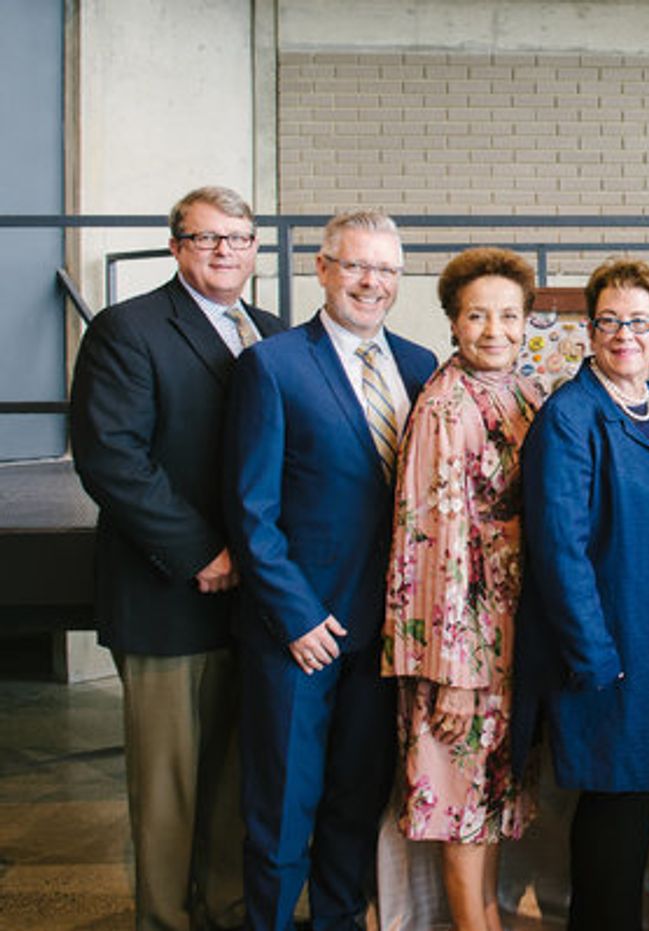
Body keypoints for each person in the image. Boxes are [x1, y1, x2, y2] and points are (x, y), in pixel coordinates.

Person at [70, 185, 284, 931]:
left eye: (239, 237)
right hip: (168, 594)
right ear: (175, 246)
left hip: (253, 599)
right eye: (206, 237)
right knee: (168, 786)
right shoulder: (128, 330)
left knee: (234, 774)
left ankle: (225, 907)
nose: (225, 250)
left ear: (255, 249)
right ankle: (164, 918)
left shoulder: (269, 331)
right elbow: (113, 459)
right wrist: (202, 551)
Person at [225, 209, 437, 931]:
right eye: (356, 266)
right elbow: (250, 510)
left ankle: (339, 920)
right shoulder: (273, 365)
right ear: (322, 268)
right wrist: (296, 615)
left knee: (355, 800)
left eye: (386, 269)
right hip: (300, 635)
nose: (372, 282)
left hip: (384, 637)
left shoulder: (419, 365)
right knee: (283, 807)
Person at [511, 258, 649, 930]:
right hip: (611, 647)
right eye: (610, 321)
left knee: (634, 806)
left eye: (640, 322)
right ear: (589, 330)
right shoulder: (572, 415)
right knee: (614, 810)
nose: (625, 334)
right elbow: (558, 546)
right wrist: (594, 652)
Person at [382, 248, 543, 930]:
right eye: (478, 316)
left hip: (510, 636)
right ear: (453, 322)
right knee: (461, 811)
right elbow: (430, 545)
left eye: (508, 315)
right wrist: (450, 674)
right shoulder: (444, 406)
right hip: (461, 646)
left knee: (492, 809)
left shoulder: (524, 393)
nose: (494, 330)